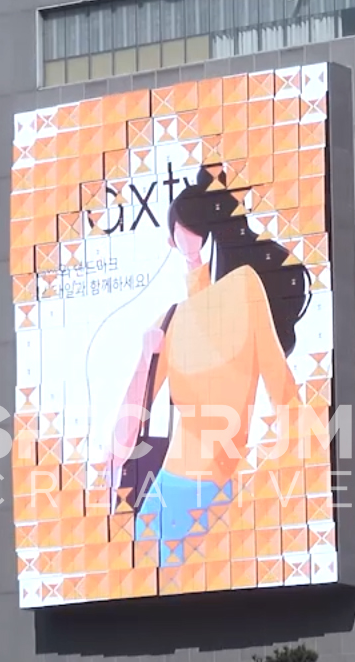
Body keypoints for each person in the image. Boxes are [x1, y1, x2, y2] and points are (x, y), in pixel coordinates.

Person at [104, 167, 314, 569]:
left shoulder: (178, 320)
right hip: (207, 497)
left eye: (174, 233)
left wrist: (147, 359)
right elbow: (286, 399)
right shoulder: (217, 303)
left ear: (187, 234)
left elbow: (121, 442)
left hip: (182, 501)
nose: (170, 242)